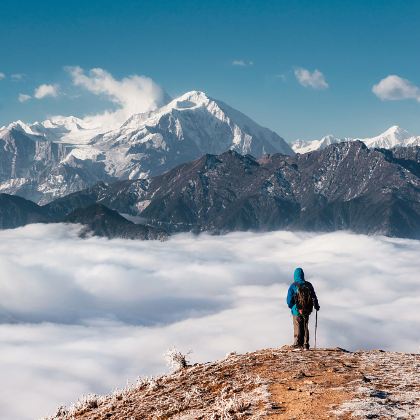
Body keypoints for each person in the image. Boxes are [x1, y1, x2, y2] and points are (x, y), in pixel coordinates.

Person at [286, 267, 320, 350]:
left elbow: (289, 300)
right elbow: (313, 296)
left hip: (296, 310)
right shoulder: (308, 285)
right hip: (307, 310)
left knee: (297, 325)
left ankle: (297, 343)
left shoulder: (293, 286)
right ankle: (306, 344)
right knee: (305, 325)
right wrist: (316, 305)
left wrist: (292, 307)